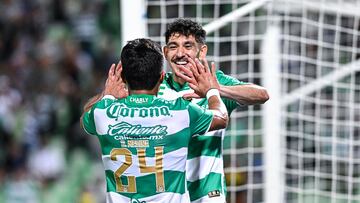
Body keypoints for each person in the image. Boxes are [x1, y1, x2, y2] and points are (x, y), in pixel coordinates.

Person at [81, 38, 229, 203]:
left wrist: (107, 94)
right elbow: (221, 118)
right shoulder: (180, 111)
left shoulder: (103, 113)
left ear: (123, 77)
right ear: (162, 77)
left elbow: (86, 118)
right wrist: (211, 92)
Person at [159, 18, 269, 203]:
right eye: (173, 46)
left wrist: (215, 90)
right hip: (167, 195)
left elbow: (262, 94)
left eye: (188, 46)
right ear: (165, 52)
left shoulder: (216, 82)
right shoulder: (155, 87)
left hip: (208, 195)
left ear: (202, 51)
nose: (180, 53)